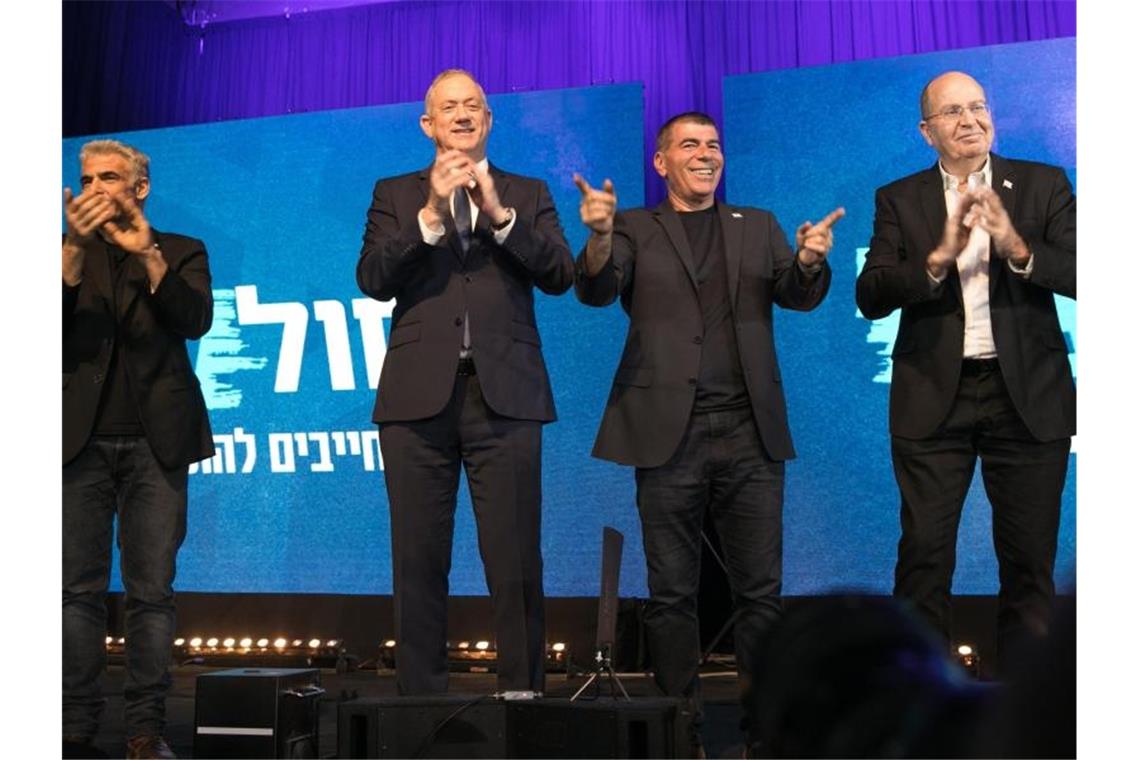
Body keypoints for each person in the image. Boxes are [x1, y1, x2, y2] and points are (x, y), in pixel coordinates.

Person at [573, 111, 842, 751]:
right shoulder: (635, 225)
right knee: (670, 596)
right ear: (662, 162)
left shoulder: (760, 225)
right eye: (689, 145)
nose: (706, 154)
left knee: (761, 595)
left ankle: (766, 733)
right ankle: (680, 731)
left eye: (714, 144)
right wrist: (602, 237)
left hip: (751, 432)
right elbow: (596, 289)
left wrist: (807, 261)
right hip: (669, 434)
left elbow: (798, 295)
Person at [356, 69, 573, 695]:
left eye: (473, 105)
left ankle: (522, 694)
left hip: (506, 396)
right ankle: (421, 700)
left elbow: (559, 274)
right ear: (427, 124)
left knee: (515, 561)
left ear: (488, 120)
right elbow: (371, 277)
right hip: (417, 401)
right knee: (418, 561)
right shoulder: (395, 194)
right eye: (447, 107)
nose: (461, 114)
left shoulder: (526, 193)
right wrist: (427, 216)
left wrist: (501, 217)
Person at [855, 71, 1076, 670]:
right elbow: (871, 293)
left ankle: (1023, 718)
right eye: (952, 112)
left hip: (1027, 397)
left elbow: (1085, 273)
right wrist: (934, 259)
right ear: (927, 132)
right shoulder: (899, 199)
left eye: (977, 107)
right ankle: (923, 710)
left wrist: (1018, 247)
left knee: (1029, 561)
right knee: (924, 558)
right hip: (934, 398)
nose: (969, 120)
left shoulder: (1041, 184)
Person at [63, 139, 215, 759]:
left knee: (152, 593)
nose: (97, 188)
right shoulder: (62, 253)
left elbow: (195, 319)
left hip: (158, 443)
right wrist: (70, 257)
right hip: (79, 443)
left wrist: (148, 255)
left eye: (111, 178)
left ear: (140, 188)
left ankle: (145, 729)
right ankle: (73, 722)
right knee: (77, 591)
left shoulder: (180, 249)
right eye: (87, 178)